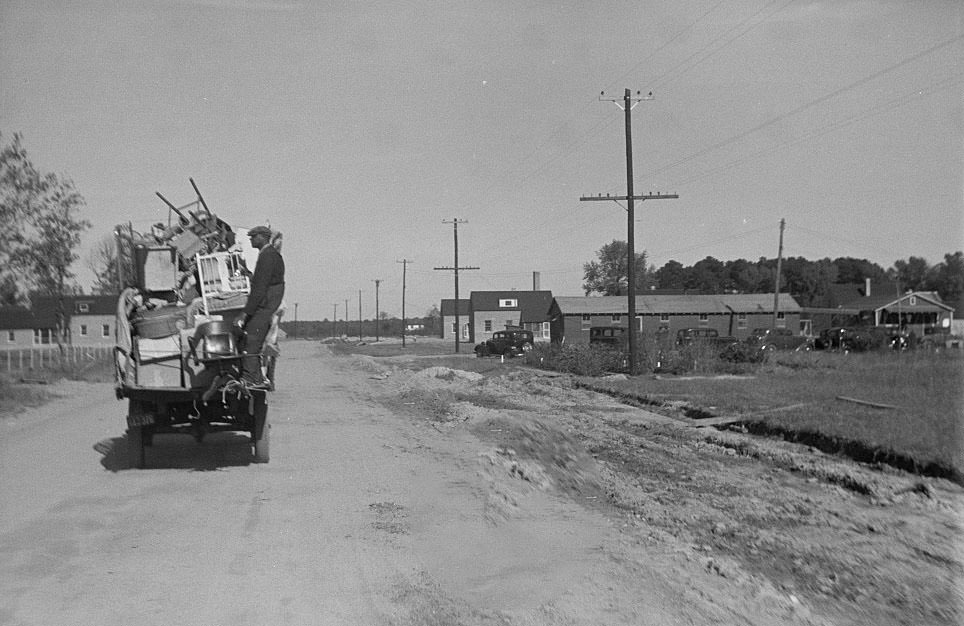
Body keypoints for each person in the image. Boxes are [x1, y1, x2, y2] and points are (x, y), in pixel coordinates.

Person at [235, 225, 285, 386]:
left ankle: (250, 379)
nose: (250, 239)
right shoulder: (269, 254)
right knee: (251, 338)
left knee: (252, 338)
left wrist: (245, 313)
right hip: (267, 304)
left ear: (262, 237)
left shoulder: (267, 256)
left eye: (253, 236)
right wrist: (248, 274)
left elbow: (259, 288)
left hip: (265, 305)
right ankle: (256, 378)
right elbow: (262, 281)